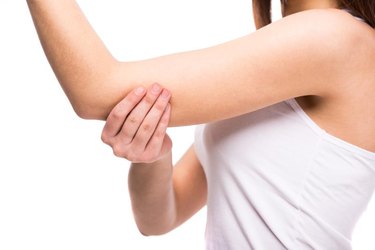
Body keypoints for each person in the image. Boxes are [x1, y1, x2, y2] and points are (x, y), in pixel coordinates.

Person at [27, 0, 375, 249]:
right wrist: (152, 155)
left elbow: (95, 90)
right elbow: (160, 219)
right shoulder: (283, 60)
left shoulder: (335, 38)